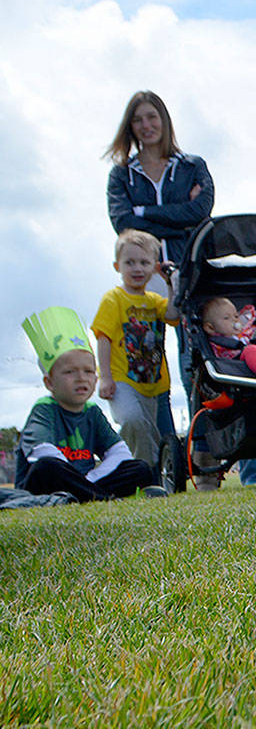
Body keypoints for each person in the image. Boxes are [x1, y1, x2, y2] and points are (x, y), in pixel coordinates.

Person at [105, 90, 214, 409]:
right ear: (130, 127)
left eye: (152, 117)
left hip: (187, 269)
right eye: (137, 120)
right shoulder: (121, 174)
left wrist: (143, 213)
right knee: (147, 355)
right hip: (143, 273)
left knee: (192, 353)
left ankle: (200, 437)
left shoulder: (192, 166)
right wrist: (179, 213)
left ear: (164, 120)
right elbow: (123, 224)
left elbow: (201, 213)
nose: (146, 125)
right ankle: (162, 444)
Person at [16, 306, 160, 502]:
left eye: (88, 371)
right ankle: (101, 497)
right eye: (70, 372)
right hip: (49, 482)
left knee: (140, 468)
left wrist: (86, 481)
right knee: (47, 466)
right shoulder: (44, 408)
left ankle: (85, 495)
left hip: (82, 482)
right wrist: (83, 481)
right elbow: (41, 452)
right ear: (49, 382)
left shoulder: (92, 411)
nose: (80, 378)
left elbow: (120, 452)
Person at [90, 230, 179, 472]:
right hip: (121, 379)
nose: (137, 268)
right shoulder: (113, 299)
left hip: (152, 381)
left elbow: (172, 314)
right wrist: (105, 377)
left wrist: (170, 285)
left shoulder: (153, 300)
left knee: (148, 429)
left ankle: (147, 473)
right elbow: (103, 338)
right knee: (131, 420)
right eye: (130, 262)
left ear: (154, 267)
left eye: (144, 262)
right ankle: (140, 470)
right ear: (117, 266)